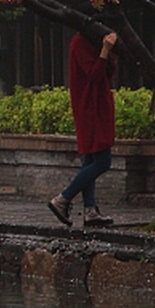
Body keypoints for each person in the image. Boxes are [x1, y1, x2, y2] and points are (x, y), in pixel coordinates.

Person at [48, 28, 118, 228]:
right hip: (90, 106)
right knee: (102, 161)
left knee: (90, 160)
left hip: (99, 103)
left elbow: (106, 73)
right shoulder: (79, 43)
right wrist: (105, 50)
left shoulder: (92, 41)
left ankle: (90, 210)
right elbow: (94, 74)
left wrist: (109, 52)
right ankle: (63, 198)